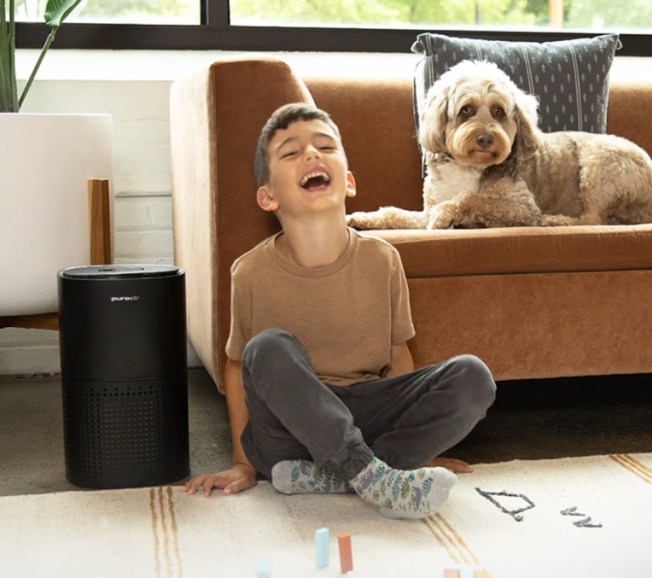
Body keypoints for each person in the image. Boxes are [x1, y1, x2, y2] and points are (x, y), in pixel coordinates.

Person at [181, 103, 496, 519]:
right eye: (291, 153)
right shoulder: (251, 272)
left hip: (365, 416)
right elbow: (239, 369)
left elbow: (398, 357)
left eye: (325, 147)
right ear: (268, 196)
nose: (311, 155)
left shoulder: (383, 260)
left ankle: (351, 471)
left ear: (348, 182)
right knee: (267, 347)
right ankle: (373, 475)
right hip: (289, 434)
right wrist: (243, 464)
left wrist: (418, 449)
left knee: (472, 376)